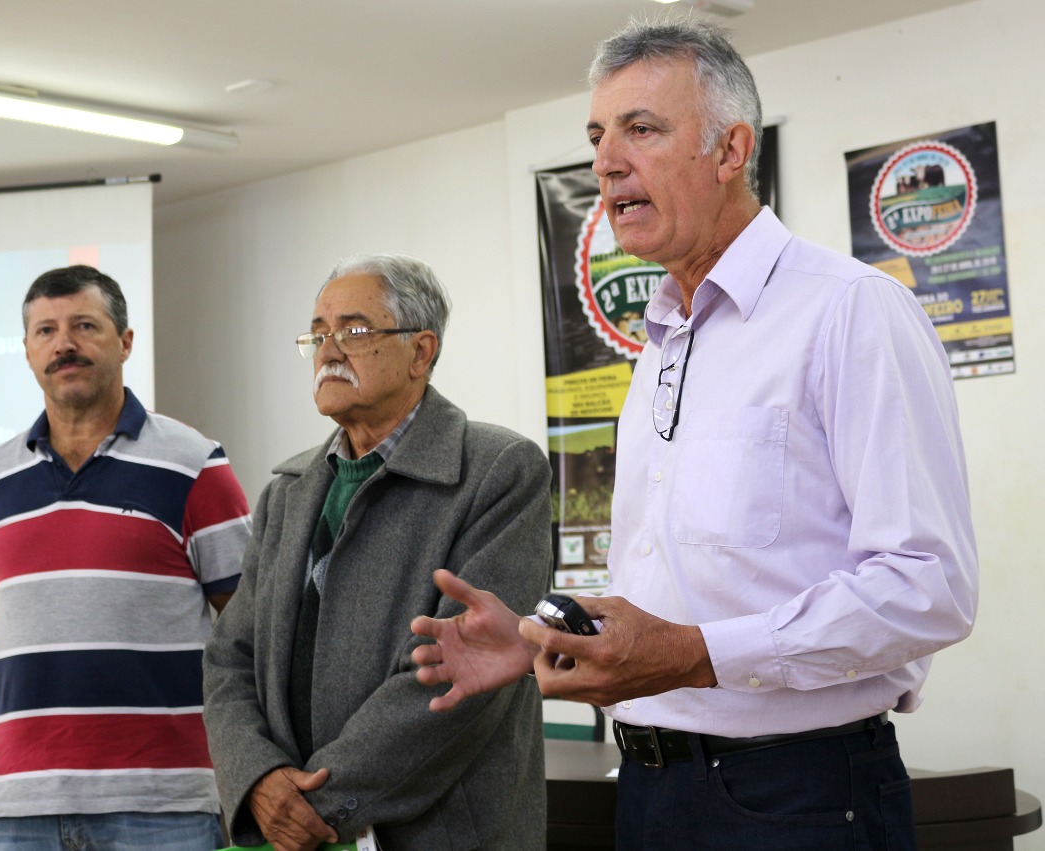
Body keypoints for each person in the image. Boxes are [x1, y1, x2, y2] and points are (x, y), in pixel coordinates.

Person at [411, 16, 977, 850]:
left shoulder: (849, 309)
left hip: (796, 797)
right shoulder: (664, 338)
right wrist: (545, 643)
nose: (606, 161)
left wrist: (694, 654)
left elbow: (928, 586)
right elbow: (687, 588)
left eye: (642, 129)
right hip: (648, 790)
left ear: (730, 149)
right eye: (598, 134)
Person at [202, 254, 552, 851]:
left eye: (354, 332)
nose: (329, 351)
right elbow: (230, 661)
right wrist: (257, 780)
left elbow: (458, 679)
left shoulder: (499, 472)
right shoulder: (287, 492)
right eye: (317, 335)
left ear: (420, 352)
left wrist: (312, 806)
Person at [0, 265, 252, 850]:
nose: (63, 343)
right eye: (45, 331)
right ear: (26, 351)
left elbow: (251, 632)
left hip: (161, 807)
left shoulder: (195, 466)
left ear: (124, 341)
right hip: (18, 807)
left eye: (84, 325)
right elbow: (0, 623)